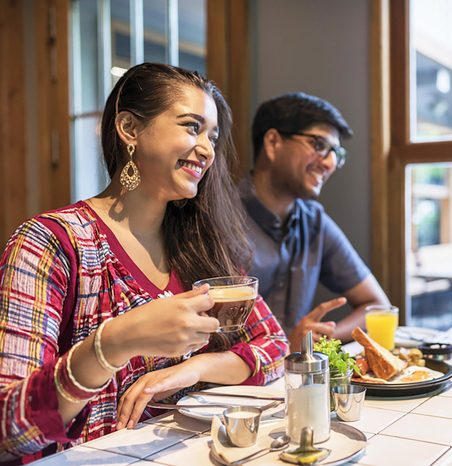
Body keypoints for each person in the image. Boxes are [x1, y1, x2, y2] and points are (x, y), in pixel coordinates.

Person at [0, 63, 287, 464]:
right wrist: (114, 342)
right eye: (191, 127)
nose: (207, 149)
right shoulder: (52, 243)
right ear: (129, 129)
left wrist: (194, 368)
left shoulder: (199, 244)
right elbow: (9, 429)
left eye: (213, 136)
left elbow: (275, 347)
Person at [241, 92, 390, 351]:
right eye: (319, 144)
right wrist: (288, 346)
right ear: (273, 142)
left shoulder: (313, 221)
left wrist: (318, 339)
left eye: (336, 153)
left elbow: (378, 307)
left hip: (296, 382)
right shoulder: (218, 216)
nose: (330, 163)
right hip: (229, 385)